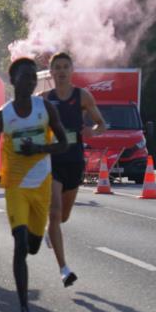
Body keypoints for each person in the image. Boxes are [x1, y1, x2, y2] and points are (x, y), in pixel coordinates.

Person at [0, 58, 68, 312]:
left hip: (41, 184)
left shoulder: (44, 108)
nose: (31, 81)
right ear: (13, 80)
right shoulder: (1, 116)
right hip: (15, 187)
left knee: (33, 246)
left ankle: (41, 235)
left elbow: (64, 143)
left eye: (34, 77)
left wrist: (39, 147)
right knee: (20, 244)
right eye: (25, 77)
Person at [41, 52, 105, 289]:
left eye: (65, 67)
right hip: (52, 161)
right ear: (51, 72)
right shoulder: (44, 98)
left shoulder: (82, 96)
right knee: (55, 212)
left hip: (75, 161)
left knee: (63, 216)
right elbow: (32, 124)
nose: (61, 71)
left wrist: (92, 130)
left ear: (71, 70)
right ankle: (64, 269)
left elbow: (102, 123)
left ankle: (52, 229)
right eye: (57, 67)